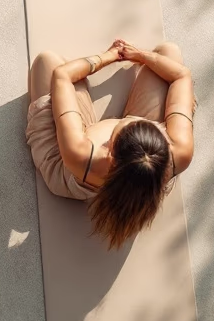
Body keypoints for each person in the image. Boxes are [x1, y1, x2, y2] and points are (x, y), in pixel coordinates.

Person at [25, 39, 195, 248]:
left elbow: (62, 75)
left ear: (109, 152)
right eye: (134, 124)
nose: (126, 122)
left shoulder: (82, 154)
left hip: (75, 163)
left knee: (46, 61)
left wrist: (108, 57)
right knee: (169, 52)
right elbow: (182, 76)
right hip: (133, 168)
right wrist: (139, 55)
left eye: (121, 129)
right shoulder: (179, 150)